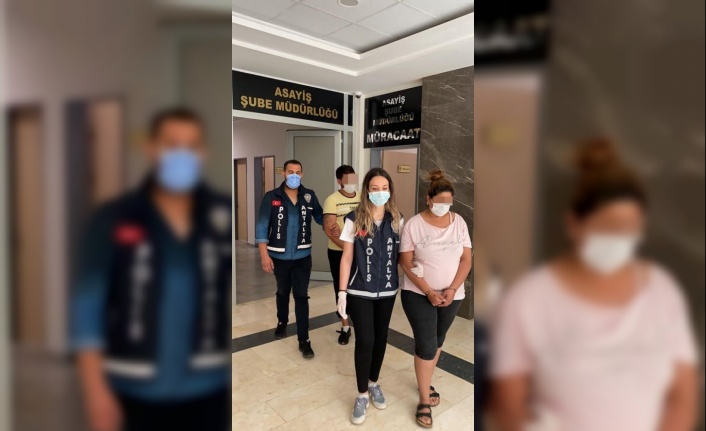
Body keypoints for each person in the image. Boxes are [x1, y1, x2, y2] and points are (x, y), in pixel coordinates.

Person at [490, 138, 700, 431]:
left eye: (630, 228)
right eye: (609, 227)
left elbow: (684, 395)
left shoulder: (662, 291)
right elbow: (509, 405)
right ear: (574, 224)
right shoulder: (530, 298)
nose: (619, 238)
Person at [70, 107, 231, 431]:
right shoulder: (114, 218)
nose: (182, 155)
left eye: (192, 146)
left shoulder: (221, 215)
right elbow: (87, 309)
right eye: (172, 144)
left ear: (203, 153)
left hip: (209, 387)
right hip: (134, 387)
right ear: (152, 148)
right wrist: (95, 393)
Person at [398, 170, 473, 428]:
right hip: (418, 294)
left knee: (438, 340)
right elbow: (405, 262)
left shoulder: (459, 222)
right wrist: (429, 291)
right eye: (439, 202)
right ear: (428, 199)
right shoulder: (414, 225)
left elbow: (466, 259)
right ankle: (423, 399)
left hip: (453, 295)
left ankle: (425, 381)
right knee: (427, 345)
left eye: (447, 202)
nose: (443, 207)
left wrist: (452, 289)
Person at [337, 168, 404, 425]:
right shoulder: (354, 219)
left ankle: (374, 382)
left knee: (381, 338)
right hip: (359, 290)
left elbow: (403, 254)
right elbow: (346, 257)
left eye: (384, 188)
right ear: (367, 190)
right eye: (375, 188)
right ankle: (362, 394)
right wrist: (342, 292)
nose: (380, 192)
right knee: (365, 340)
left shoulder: (397, 219)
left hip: (387, 289)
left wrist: (417, 266)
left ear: (390, 190)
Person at [255, 159, 323, 358]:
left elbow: (320, 217)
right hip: (279, 256)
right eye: (290, 171)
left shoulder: (309, 196)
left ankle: (304, 340)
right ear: (283, 173)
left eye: (298, 172)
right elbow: (262, 226)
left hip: (302, 257)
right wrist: (263, 255)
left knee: (301, 296)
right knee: (283, 291)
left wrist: (335, 226)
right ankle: (282, 322)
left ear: (302, 174)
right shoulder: (271, 197)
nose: (294, 175)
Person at [322, 165, 361, 345]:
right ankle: (345, 327)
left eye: (353, 179)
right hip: (339, 252)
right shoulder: (332, 200)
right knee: (341, 288)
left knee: (359, 288)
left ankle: (360, 323)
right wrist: (347, 248)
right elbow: (329, 230)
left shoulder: (362, 197)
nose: (352, 183)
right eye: (347, 180)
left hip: (361, 252)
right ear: (339, 181)